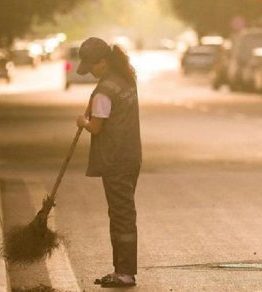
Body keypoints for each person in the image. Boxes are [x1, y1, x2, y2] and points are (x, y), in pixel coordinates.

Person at [75, 37, 142, 288]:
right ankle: (121, 269)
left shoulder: (104, 91)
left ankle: (125, 272)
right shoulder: (125, 79)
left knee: (121, 215)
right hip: (131, 156)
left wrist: (82, 122)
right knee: (122, 212)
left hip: (115, 159)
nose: (91, 71)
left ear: (103, 62)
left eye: (92, 66)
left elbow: (95, 126)